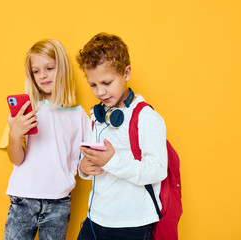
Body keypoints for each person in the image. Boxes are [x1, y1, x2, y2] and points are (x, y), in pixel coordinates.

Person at [75, 32, 168, 240]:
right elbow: (90, 163)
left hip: (132, 224)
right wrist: (83, 168)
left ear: (126, 73)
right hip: (95, 218)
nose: (100, 92)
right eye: (93, 85)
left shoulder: (146, 117)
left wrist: (112, 161)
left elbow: (158, 170)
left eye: (107, 83)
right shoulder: (97, 116)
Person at [3, 39, 89, 240]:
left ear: (62, 68)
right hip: (23, 200)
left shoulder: (79, 115)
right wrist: (14, 133)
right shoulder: (27, 111)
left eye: (49, 68)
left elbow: (85, 158)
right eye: (36, 71)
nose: (42, 75)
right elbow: (16, 159)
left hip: (59, 203)